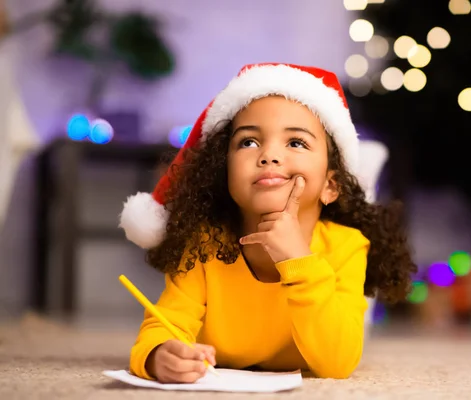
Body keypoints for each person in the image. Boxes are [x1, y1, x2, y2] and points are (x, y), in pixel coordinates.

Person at [119, 63, 416, 382]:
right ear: (224, 173)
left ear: (331, 186)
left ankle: (363, 172)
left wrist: (299, 261)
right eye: (248, 142)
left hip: (331, 304)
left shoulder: (348, 245)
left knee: (356, 323)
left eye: (296, 142)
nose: (269, 155)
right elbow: (166, 326)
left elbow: (337, 364)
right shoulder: (203, 244)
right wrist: (158, 355)